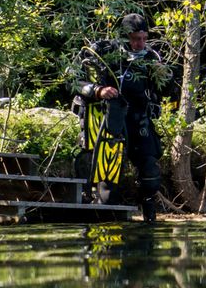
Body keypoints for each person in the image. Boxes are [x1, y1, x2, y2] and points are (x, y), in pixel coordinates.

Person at [70, 13, 175, 222]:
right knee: (107, 181)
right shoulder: (100, 51)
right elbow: (72, 81)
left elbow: (169, 91)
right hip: (108, 118)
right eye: (136, 38)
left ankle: (149, 217)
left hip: (138, 118)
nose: (141, 43)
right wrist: (98, 90)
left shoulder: (151, 57)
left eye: (144, 38)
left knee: (150, 171)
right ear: (125, 36)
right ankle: (104, 221)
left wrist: (165, 75)